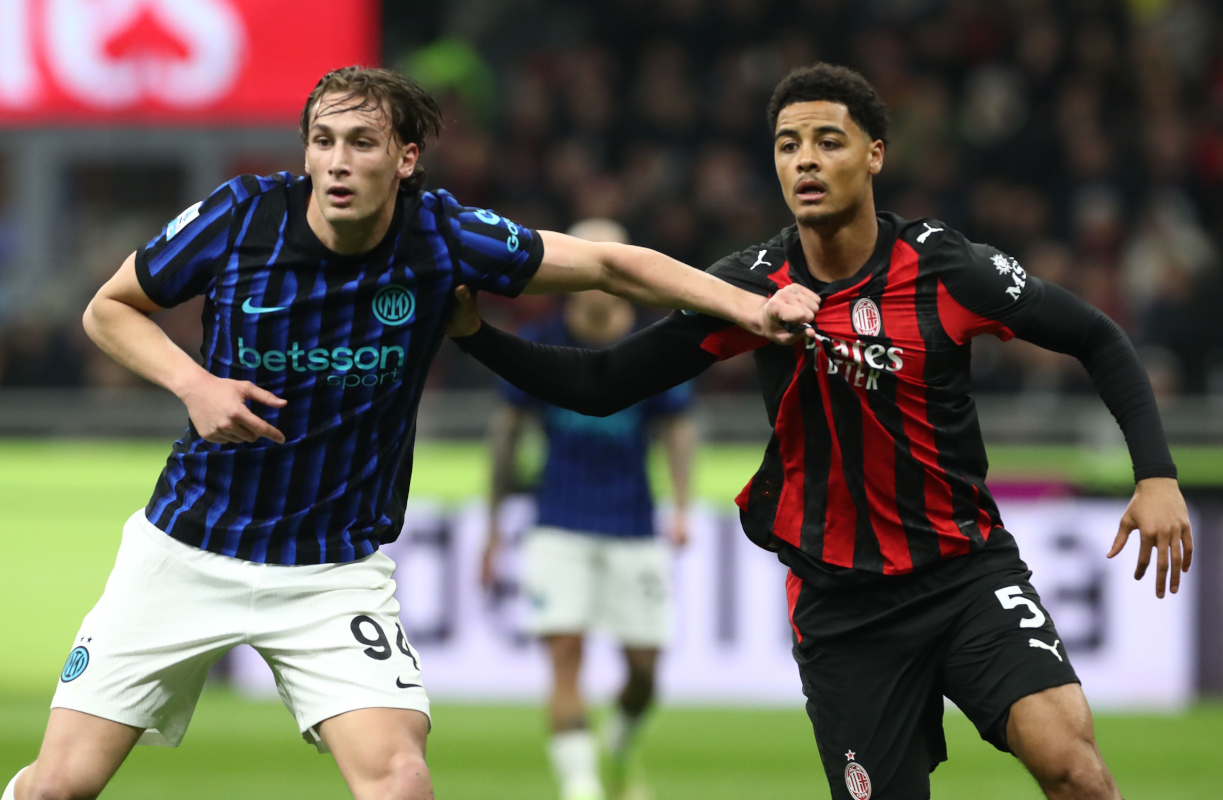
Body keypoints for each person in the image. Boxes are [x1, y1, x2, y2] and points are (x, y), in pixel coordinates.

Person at [2, 67, 813, 800]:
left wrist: (750, 307)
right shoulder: (240, 216)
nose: (338, 162)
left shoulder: (440, 236)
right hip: (184, 551)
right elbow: (109, 307)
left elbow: (609, 265)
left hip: (330, 571)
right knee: (59, 787)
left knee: (400, 781)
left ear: (407, 158)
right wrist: (193, 382)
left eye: (362, 142)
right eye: (323, 141)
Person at [445, 63, 1193, 800]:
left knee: (1073, 768)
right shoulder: (749, 290)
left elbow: (1096, 336)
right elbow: (601, 385)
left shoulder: (946, 269)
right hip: (843, 611)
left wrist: (1155, 474)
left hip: (965, 573)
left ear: (874, 154)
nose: (804, 159)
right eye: (786, 144)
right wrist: (478, 336)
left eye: (828, 141)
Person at [484, 218, 695, 800]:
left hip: (633, 525)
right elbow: (506, 437)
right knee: (565, 661)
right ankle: (582, 789)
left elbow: (678, 429)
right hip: (558, 524)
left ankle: (622, 741)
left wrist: (681, 505)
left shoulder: (654, 343)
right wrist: (492, 530)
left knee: (645, 675)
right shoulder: (544, 335)